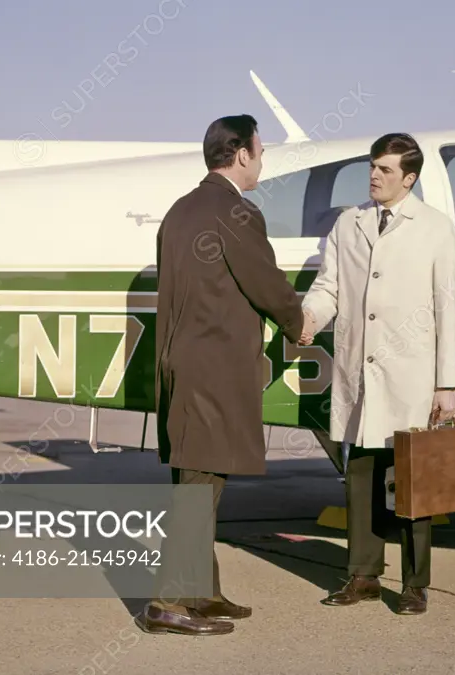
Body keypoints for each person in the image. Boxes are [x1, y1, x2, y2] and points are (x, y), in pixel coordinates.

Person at [141, 114, 305, 636]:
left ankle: (201, 592)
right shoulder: (236, 212)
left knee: (198, 478)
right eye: (260, 151)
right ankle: (167, 603)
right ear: (240, 154)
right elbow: (265, 280)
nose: (262, 161)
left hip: (182, 367)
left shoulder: (180, 211)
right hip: (213, 370)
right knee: (198, 487)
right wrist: (297, 322)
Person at [299, 132, 455, 616]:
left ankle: (415, 585)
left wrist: (447, 384)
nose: (374, 175)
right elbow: (328, 286)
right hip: (359, 374)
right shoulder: (348, 224)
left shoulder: (435, 229)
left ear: (409, 178)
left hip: (412, 378)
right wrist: (309, 319)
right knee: (361, 479)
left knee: (414, 484)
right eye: (373, 166)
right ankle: (363, 577)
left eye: (386, 169)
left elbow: (449, 308)